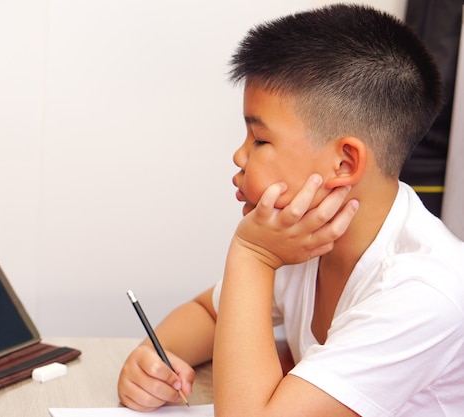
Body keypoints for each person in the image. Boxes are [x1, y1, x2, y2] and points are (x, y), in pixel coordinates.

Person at [117, 4, 464, 417]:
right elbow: (209, 313)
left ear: (344, 164)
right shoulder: (307, 234)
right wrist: (153, 358)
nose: (239, 155)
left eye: (259, 140)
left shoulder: (424, 293)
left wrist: (252, 256)